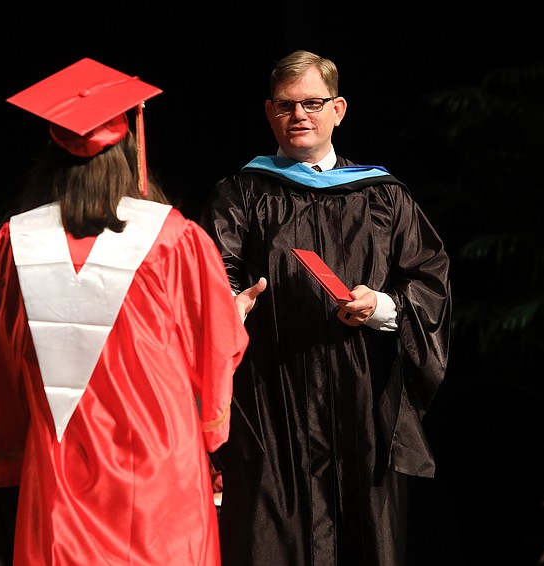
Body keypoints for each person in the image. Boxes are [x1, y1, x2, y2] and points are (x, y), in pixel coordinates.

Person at [0, 58, 249, 566]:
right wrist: (234, 321)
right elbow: (215, 344)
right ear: (129, 148)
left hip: (59, 473)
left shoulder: (16, 243)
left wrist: (2, 450)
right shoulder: (174, 238)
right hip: (161, 472)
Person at [198, 49, 452, 566]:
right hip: (272, 400)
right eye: (287, 106)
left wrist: (381, 306)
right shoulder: (240, 194)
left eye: (312, 103)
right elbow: (208, 272)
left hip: (362, 402)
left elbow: (430, 281)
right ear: (270, 112)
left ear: (338, 109)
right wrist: (229, 306)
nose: (299, 116)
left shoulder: (383, 196)